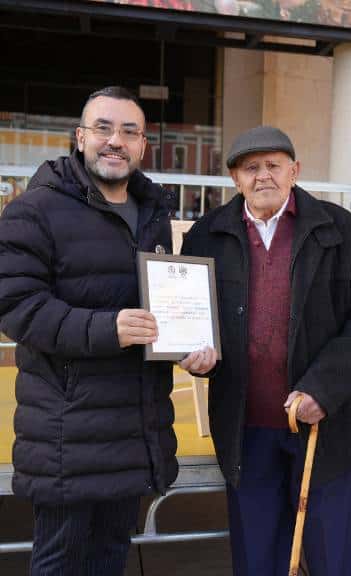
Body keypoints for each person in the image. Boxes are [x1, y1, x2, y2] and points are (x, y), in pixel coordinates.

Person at [0, 86, 214, 576]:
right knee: (61, 561)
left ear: (143, 146)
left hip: (135, 427)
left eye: (129, 131)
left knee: (112, 555)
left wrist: (187, 349)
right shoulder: (34, 211)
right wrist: (107, 328)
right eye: (103, 128)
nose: (115, 140)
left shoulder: (154, 215)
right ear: (80, 138)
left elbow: (157, 308)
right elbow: (16, 306)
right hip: (68, 432)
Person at [181, 126, 351, 576]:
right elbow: (194, 318)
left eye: (274, 165)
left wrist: (324, 388)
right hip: (246, 427)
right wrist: (191, 355)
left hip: (324, 427)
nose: (263, 176)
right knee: (258, 557)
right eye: (250, 167)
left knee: (332, 555)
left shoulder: (339, 230)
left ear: (294, 171)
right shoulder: (206, 236)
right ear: (235, 179)